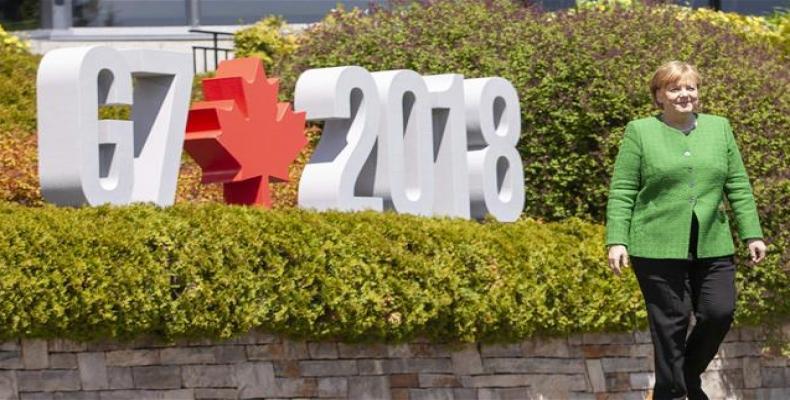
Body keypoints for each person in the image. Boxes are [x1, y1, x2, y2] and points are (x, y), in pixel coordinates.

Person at [605, 61, 767, 400]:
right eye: (675, 88)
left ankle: (680, 382)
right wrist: (617, 239)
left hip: (713, 241)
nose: (684, 95)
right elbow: (622, 189)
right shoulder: (640, 132)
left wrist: (752, 233)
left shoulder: (719, 128)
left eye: (690, 87)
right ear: (659, 96)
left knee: (719, 311)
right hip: (656, 244)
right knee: (671, 323)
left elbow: (737, 184)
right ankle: (679, 394)